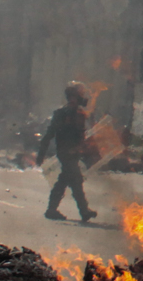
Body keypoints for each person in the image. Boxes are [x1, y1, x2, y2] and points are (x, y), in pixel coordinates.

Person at [37, 81, 98, 222]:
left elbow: (82, 137)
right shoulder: (62, 114)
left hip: (73, 153)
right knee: (76, 180)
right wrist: (41, 153)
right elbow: (50, 134)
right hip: (66, 153)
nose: (84, 97)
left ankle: (52, 210)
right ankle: (83, 211)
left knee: (64, 180)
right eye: (80, 95)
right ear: (73, 97)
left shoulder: (79, 113)